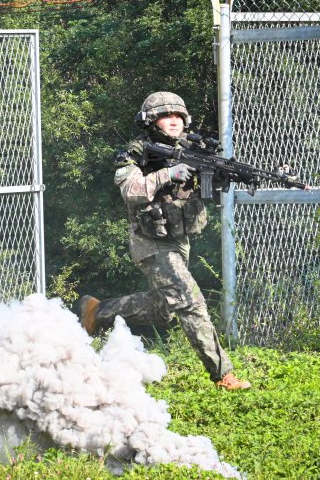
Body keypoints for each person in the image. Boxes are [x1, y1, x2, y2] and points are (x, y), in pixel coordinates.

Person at [76, 91, 251, 391]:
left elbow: (206, 193)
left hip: (179, 241)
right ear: (151, 121)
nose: (173, 121)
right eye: (165, 116)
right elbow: (130, 189)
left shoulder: (193, 148)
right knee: (189, 300)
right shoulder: (136, 151)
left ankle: (97, 312)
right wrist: (168, 174)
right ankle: (223, 374)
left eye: (177, 115)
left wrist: (218, 177)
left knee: (163, 309)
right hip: (150, 241)